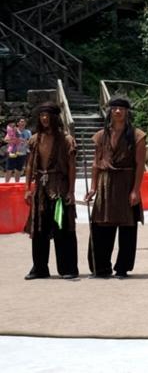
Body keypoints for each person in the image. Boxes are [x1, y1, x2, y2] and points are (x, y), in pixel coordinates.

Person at [85, 98, 147, 279]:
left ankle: (122, 268)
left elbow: (139, 164)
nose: (117, 112)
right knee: (100, 226)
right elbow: (96, 164)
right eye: (114, 108)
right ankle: (101, 268)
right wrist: (93, 187)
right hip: (105, 183)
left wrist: (135, 190)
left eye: (121, 108)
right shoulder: (101, 135)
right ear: (110, 111)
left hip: (126, 182)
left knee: (127, 227)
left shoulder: (137, 135)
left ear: (127, 112)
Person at [23, 102, 79, 280]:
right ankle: (39, 268)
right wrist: (27, 189)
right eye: (42, 115)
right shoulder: (35, 139)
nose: (44, 118)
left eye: (47, 115)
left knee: (63, 228)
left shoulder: (66, 139)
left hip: (59, 187)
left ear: (55, 118)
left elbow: (71, 167)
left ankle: (68, 268)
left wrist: (71, 191)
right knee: (39, 229)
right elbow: (30, 165)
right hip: (41, 188)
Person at [6, 118, 30, 182]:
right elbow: (6, 139)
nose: (23, 123)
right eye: (21, 122)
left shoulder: (28, 132)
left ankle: (17, 184)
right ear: (18, 123)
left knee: (18, 170)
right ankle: (6, 185)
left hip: (23, 153)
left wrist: (25, 141)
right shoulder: (13, 130)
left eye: (24, 122)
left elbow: (30, 141)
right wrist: (14, 140)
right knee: (9, 169)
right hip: (12, 152)